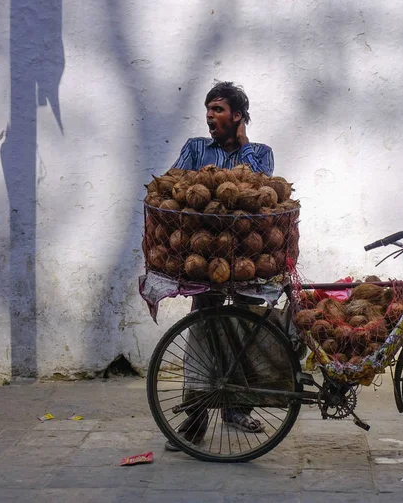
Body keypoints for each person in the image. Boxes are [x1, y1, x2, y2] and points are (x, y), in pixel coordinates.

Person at [165, 81, 274, 452]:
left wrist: (243, 143)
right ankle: (195, 417)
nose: (210, 116)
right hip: (206, 259)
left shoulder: (259, 151)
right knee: (204, 331)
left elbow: (261, 186)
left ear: (238, 115)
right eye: (208, 110)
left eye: (218, 109)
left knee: (243, 331)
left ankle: (236, 408)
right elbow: (172, 187)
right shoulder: (196, 148)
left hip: (249, 258)